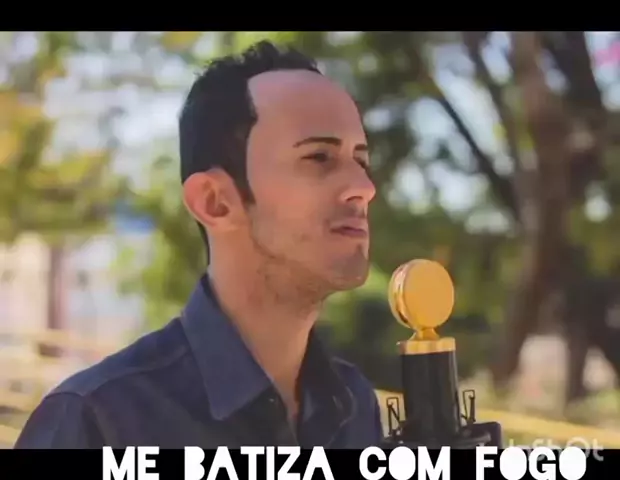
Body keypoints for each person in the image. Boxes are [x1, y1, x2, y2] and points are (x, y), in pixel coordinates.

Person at [14, 40, 382, 448]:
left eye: (361, 160)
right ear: (214, 202)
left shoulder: (354, 406)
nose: (364, 187)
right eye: (318, 157)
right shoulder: (97, 421)